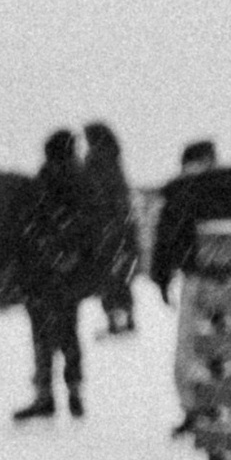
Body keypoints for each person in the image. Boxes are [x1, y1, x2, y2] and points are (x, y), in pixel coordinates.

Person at [0, 130, 91, 418]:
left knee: (42, 334)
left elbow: (17, 218)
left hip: (39, 270)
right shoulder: (83, 185)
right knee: (69, 332)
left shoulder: (38, 185)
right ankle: (75, 389)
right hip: (68, 270)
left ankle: (44, 394)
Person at [149, 134, 231, 438]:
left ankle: (198, 408)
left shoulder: (179, 193)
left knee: (192, 348)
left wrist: (161, 277)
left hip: (198, 280)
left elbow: (165, 240)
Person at [80, 120, 140, 334]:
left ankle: (114, 321)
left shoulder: (93, 160)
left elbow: (90, 195)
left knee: (107, 276)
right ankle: (128, 316)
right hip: (122, 226)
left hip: (102, 227)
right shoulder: (115, 158)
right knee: (122, 275)